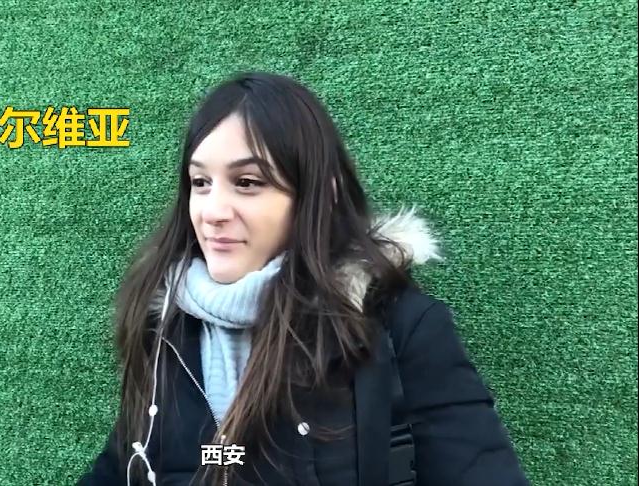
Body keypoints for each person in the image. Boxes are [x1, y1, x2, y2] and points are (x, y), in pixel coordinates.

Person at [76, 72, 529, 485]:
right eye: (200, 183)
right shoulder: (165, 328)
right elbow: (121, 467)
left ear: (320, 196)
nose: (212, 211)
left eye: (247, 182)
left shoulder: (397, 328)